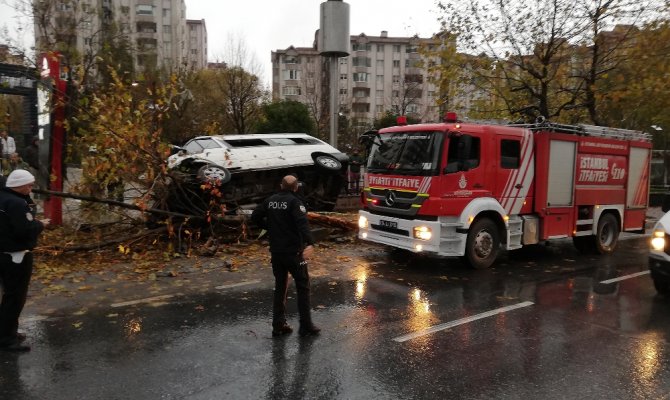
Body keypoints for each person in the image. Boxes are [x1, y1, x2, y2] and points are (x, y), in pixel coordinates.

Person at [251, 175, 321, 337]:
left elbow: (255, 217)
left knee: (280, 287)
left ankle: (278, 325)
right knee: (303, 286)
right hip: (294, 253)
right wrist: (310, 243)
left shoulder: (270, 200)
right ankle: (306, 326)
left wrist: (269, 227)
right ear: (296, 187)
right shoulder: (295, 202)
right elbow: (302, 224)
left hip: (276, 253)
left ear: (281, 186)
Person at [0, 169, 49, 352]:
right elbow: (24, 230)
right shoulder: (17, 203)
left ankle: (7, 331)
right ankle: (6, 339)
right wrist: (40, 224)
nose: (31, 187)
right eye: (29, 185)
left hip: (3, 253)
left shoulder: (3, 198)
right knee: (15, 297)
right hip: (16, 256)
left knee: (7, 295)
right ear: (19, 186)